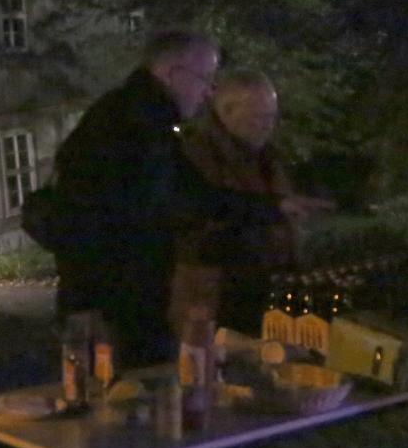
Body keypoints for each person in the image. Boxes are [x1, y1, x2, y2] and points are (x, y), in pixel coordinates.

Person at [52, 30, 315, 367]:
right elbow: (93, 215)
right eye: (205, 78)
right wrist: (85, 304)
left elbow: (192, 194)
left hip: (127, 300)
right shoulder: (131, 127)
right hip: (117, 305)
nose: (208, 93)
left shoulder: (146, 122)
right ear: (173, 74)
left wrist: (274, 206)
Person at [169, 68, 308, 336]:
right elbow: (197, 219)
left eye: (272, 116)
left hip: (260, 290)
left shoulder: (265, 158)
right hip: (213, 297)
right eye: (259, 116)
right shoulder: (196, 158)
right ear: (228, 111)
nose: (268, 124)